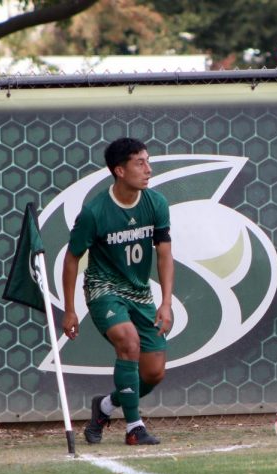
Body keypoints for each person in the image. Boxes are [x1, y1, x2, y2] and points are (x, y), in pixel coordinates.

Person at [61, 137, 174, 445]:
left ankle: (106, 406)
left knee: (153, 374)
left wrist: (166, 303)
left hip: (140, 293)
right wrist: (70, 309)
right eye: (140, 163)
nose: (148, 169)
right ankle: (134, 428)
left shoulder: (156, 203)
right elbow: (72, 259)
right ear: (119, 171)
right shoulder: (94, 212)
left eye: (148, 161)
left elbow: (164, 253)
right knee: (129, 341)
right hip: (103, 288)